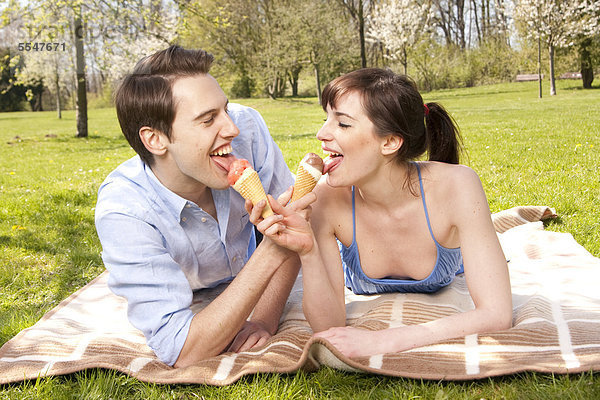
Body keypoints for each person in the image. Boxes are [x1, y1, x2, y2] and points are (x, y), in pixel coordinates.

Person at [251, 68, 512, 358]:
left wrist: (387, 340)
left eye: (343, 124)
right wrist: (309, 251)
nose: (321, 134)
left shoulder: (457, 186)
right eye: (326, 119)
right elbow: (329, 326)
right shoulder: (326, 195)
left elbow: (497, 314)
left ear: (389, 142)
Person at [95, 45, 311, 367]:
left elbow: (294, 219)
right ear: (155, 139)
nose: (231, 128)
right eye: (208, 119)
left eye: (224, 109)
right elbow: (182, 351)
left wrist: (264, 320)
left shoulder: (247, 129)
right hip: (192, 289)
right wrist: (272, 249)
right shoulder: (125, 210)